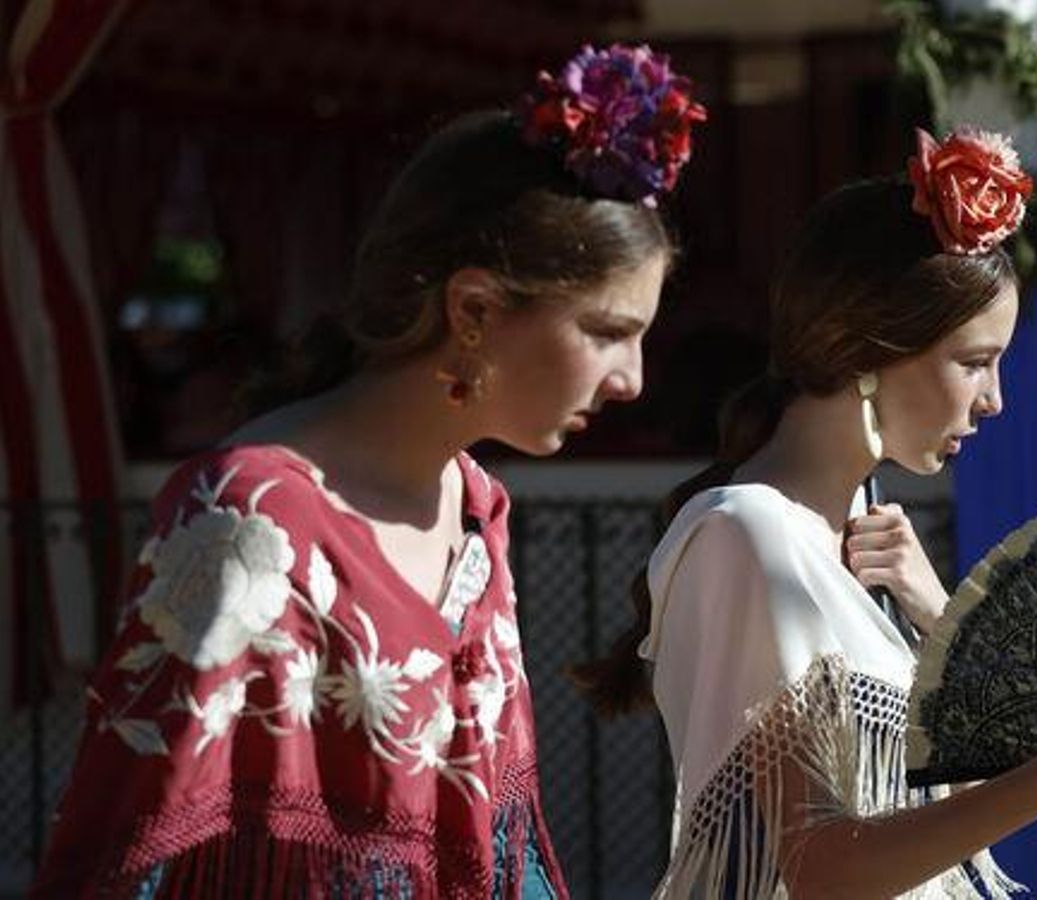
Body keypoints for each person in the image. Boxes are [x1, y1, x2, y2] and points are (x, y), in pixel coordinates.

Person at [31, 44, 705, 899]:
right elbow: (134, 851)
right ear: (474, 309)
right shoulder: (252, 515)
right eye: (608, 331)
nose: (633, 379)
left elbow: (501, 852)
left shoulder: (475, 508)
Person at [572, 129, 1037, 899]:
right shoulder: (750, 534)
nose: (995, 399)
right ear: (869, 349)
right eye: (974, 362)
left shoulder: (854, 542)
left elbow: (946, 817)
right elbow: (822, 869)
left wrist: (942, 618)